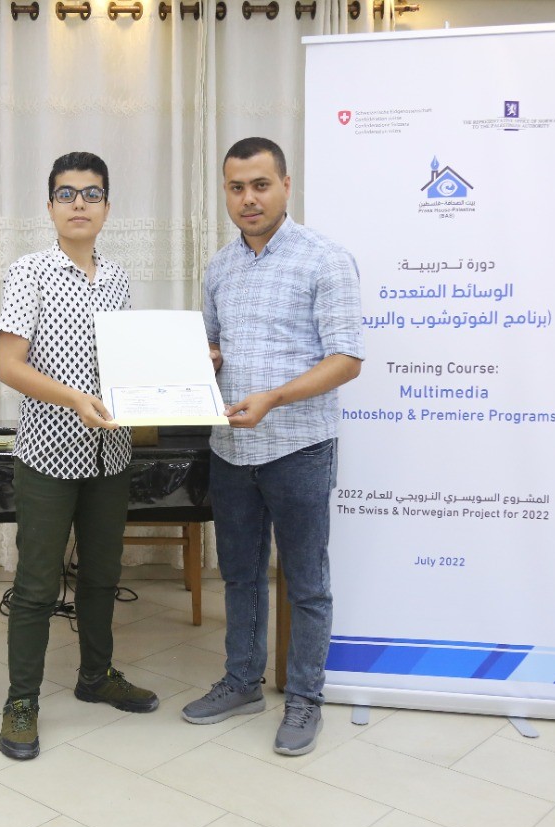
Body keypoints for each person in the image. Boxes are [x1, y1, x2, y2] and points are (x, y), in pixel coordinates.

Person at [182, 137, 364, 756]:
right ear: (226, 193)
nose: (249, 199)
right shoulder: (218, 267)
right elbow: (210, 347)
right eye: (236, 187)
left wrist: (274, 398)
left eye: (261, 185)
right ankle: (242, 682)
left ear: (286, 185)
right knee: (240, 576)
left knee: (306, 581)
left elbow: (346, 359)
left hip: (300, 447)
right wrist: (201, 360)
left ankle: (306, 697)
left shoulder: (326, 259)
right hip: (231, 450)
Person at [0, 151, 159, 761]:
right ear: (50, 207)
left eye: (91, 193)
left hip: (109, 455)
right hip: (47, 453)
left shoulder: (117, 279)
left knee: (102, 576)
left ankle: (96, 676)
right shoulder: (29, 273)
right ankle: (21, 702)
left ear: (107, 207)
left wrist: (179, 371)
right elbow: (9, 366)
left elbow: (129, 362)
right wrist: (73, 399)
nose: (79, 203)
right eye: (67, 194)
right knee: (36, 585)